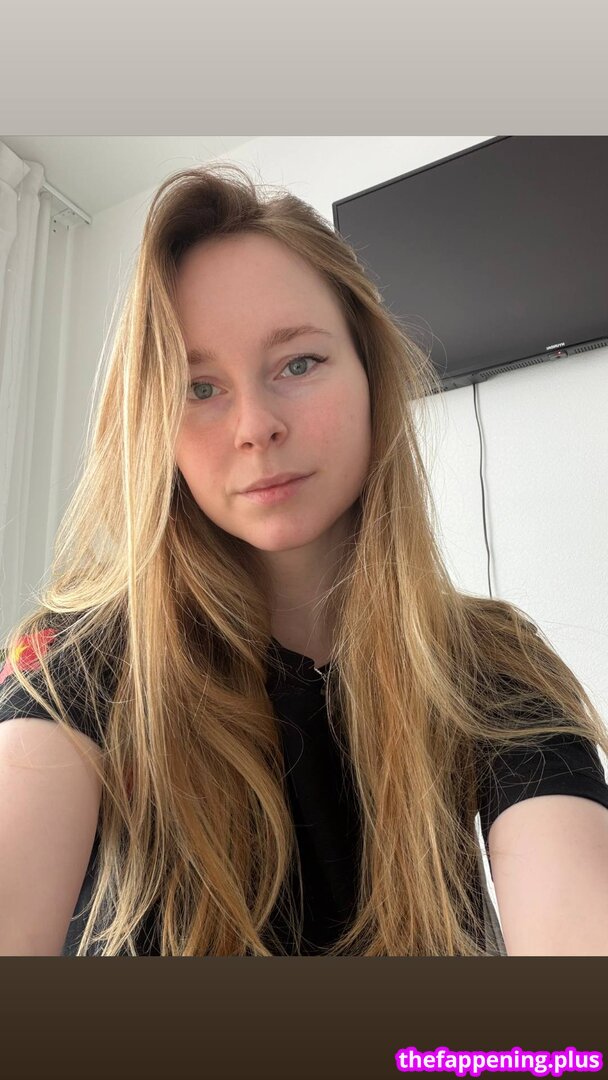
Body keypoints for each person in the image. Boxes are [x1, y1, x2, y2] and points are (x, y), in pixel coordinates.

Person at [1, 162, 607, 957]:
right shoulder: (77, 657)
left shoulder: (492, 657)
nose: (255, 426)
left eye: (299, 364)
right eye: (199, 388)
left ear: (370, 377)